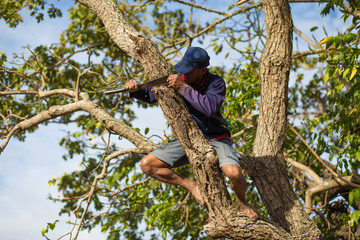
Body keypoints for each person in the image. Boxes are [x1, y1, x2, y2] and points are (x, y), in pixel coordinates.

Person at [125, 47, 258, 220]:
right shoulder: (178, 79)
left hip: (217, 138)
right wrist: (134, 89)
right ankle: (191, 186)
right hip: (187, 139)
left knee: (234, 174)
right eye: (183, 70)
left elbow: (209, 108)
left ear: (203, 70)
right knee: (147, 165)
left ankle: (242, 202)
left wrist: (184, 88)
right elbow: (150, 95)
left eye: (189, 71)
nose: (184, 75)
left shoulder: (215, 83)